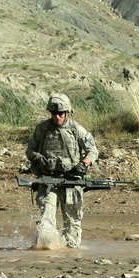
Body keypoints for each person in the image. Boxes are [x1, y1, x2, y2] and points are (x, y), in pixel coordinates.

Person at [25, 92, 98, 248]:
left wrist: (84, 163)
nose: (57, 116)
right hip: (48, 179)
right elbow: (29, 149)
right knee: (46, 216)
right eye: (54, 113)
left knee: (72, 220)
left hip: (71, 181)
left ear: (67, 112)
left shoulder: (76, 128)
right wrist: (35, 156)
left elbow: (93, 150)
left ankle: (70, 251)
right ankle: (46, 246)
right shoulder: (42, 129)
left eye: (60, 113)